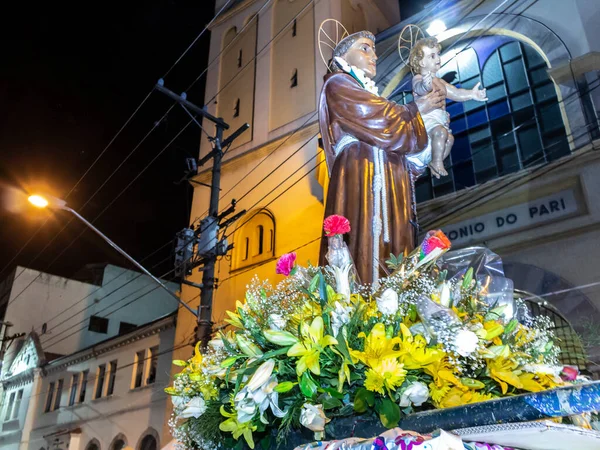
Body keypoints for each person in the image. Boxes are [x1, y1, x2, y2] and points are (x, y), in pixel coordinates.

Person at [318, 30, 445, 285]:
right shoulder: (338, 84)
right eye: (365, 48)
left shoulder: (375, 97)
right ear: (342, 57)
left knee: (396, 252)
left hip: (391, 185)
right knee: (362, 249)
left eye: (373, 50)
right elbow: (373, 117)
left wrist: (423, 150)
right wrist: (414, 109)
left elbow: (395, 134)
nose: (373, 56)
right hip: (360, 174)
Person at [408, 37, 487, 178]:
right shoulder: (419, 78)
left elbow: (455, 93)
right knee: (441, 133)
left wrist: (472, 94)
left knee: (449, 139)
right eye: (432, 56)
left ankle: (435, 162)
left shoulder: (440, 82)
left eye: (438, 54)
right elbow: (419, 89)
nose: (437, 58)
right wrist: (425, 85)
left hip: (440, 119)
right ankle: (437, 161)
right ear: (422, 62)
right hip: (427, 118)